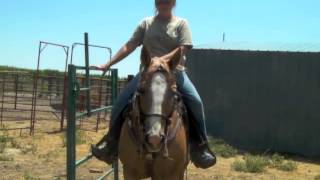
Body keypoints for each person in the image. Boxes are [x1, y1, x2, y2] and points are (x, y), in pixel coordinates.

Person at [92, 0, 216, 169]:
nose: (162, 4)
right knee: (120, 102)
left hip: (174, 72)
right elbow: (130, 45)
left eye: (166, 1)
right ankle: (111, 144)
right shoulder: (146, 23)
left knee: (195, 101)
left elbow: (184, 47)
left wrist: (161, 61)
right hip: (147, 74)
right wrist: (108, 64)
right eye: (159, 1)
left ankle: (200, 147)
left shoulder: (181, 24)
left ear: (173, 3)